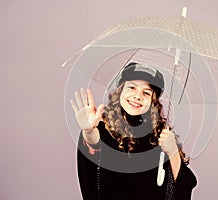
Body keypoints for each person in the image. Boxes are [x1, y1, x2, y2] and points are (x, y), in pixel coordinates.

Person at [70, 62, 197, 200]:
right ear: (120, 91)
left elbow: (185, 186)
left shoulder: (161, 138)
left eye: (146, 93)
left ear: (153, 101)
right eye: (132, 87)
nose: (137, 96)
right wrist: (88, 131)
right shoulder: (105, 130)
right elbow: (94, 144)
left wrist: (173, 153)